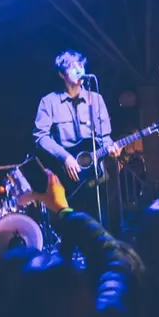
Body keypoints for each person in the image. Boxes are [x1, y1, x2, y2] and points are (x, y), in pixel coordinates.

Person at [33, 50, 121, 225]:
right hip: (66, 176)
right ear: (61, 74)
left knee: (99, 223)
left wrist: (112, 148)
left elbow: (105, 136)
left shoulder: (95, 99)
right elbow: (40, 136)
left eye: (81, 65)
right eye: (73, 67)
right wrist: (65, 157)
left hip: (94, 174)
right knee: (71, 226)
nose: (80, 70)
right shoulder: (49, 102)